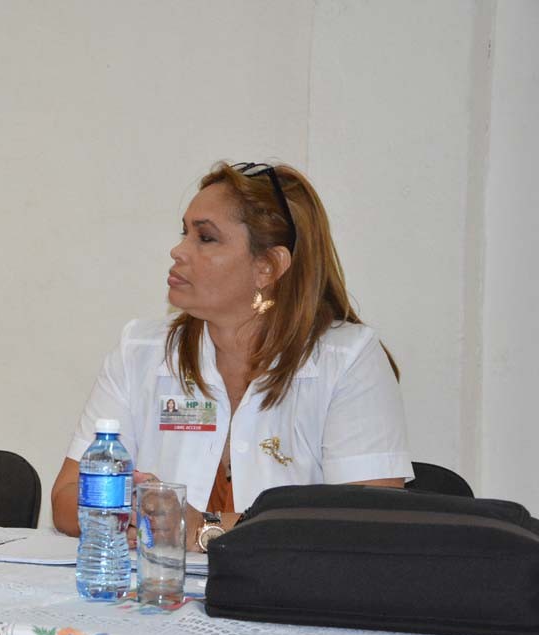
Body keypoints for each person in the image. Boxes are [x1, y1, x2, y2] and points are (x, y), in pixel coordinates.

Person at [51, 161, 412, 549]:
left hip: (283, 602)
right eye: (184, 233)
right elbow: (67, 499)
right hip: (157, 595)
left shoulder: (349, 358)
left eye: (205, 238)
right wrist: (138, 509)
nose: (178, 251)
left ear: (268, 266)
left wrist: (204, 530)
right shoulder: (140, 350)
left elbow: (367, 524)